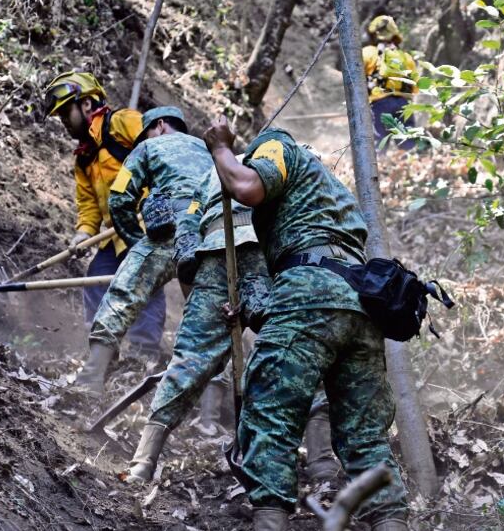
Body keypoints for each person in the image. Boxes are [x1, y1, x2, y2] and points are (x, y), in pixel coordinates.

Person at [201, 117, 411, 531]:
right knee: (364, 439)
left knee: (269, 414)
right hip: (360, 304)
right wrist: (255, 309)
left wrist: (221, 149)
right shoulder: (328, 195)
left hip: (311, 292)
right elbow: (320, 273)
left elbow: (247, 187)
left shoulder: (276, 146)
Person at [124, 163, 340, 484]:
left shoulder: (207, 174)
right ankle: (321, 461)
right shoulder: (288, 162)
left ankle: (143, 461)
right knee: (303, 347)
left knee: (190, 357)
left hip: (214, 255)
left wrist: (192, 269)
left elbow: (187, 222)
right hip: (268, 252)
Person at [74, 106, 214, 396]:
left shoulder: (149, 147)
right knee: (209, 320)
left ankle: (90, 382)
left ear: (160, 125)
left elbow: (119, 198)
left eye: (147, 133)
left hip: (171, 232)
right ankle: (209, 412)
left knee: (122, 295)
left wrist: (136, 242)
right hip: (210, 236)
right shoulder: (209, 150)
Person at [43, 71, 166, 358]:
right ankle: (103, 354)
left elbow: (162, 150)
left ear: (86, 104)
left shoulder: (122, 123)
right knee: (96, 281)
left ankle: (143, 355)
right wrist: (82, 234)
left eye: (65, 113)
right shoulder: (84, 157)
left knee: (144, 283)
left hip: (147, 226)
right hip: (115, 235)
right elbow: (88, 206)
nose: (62, 122)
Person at [361, 15, 418, 149]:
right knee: (408, 144)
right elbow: (415, 88)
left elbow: (356, 83)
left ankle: (381, 169)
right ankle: (409, 166)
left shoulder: (366, 53)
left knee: (379, 146)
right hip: (404, 104)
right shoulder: (406, 57)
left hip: (378, 104)